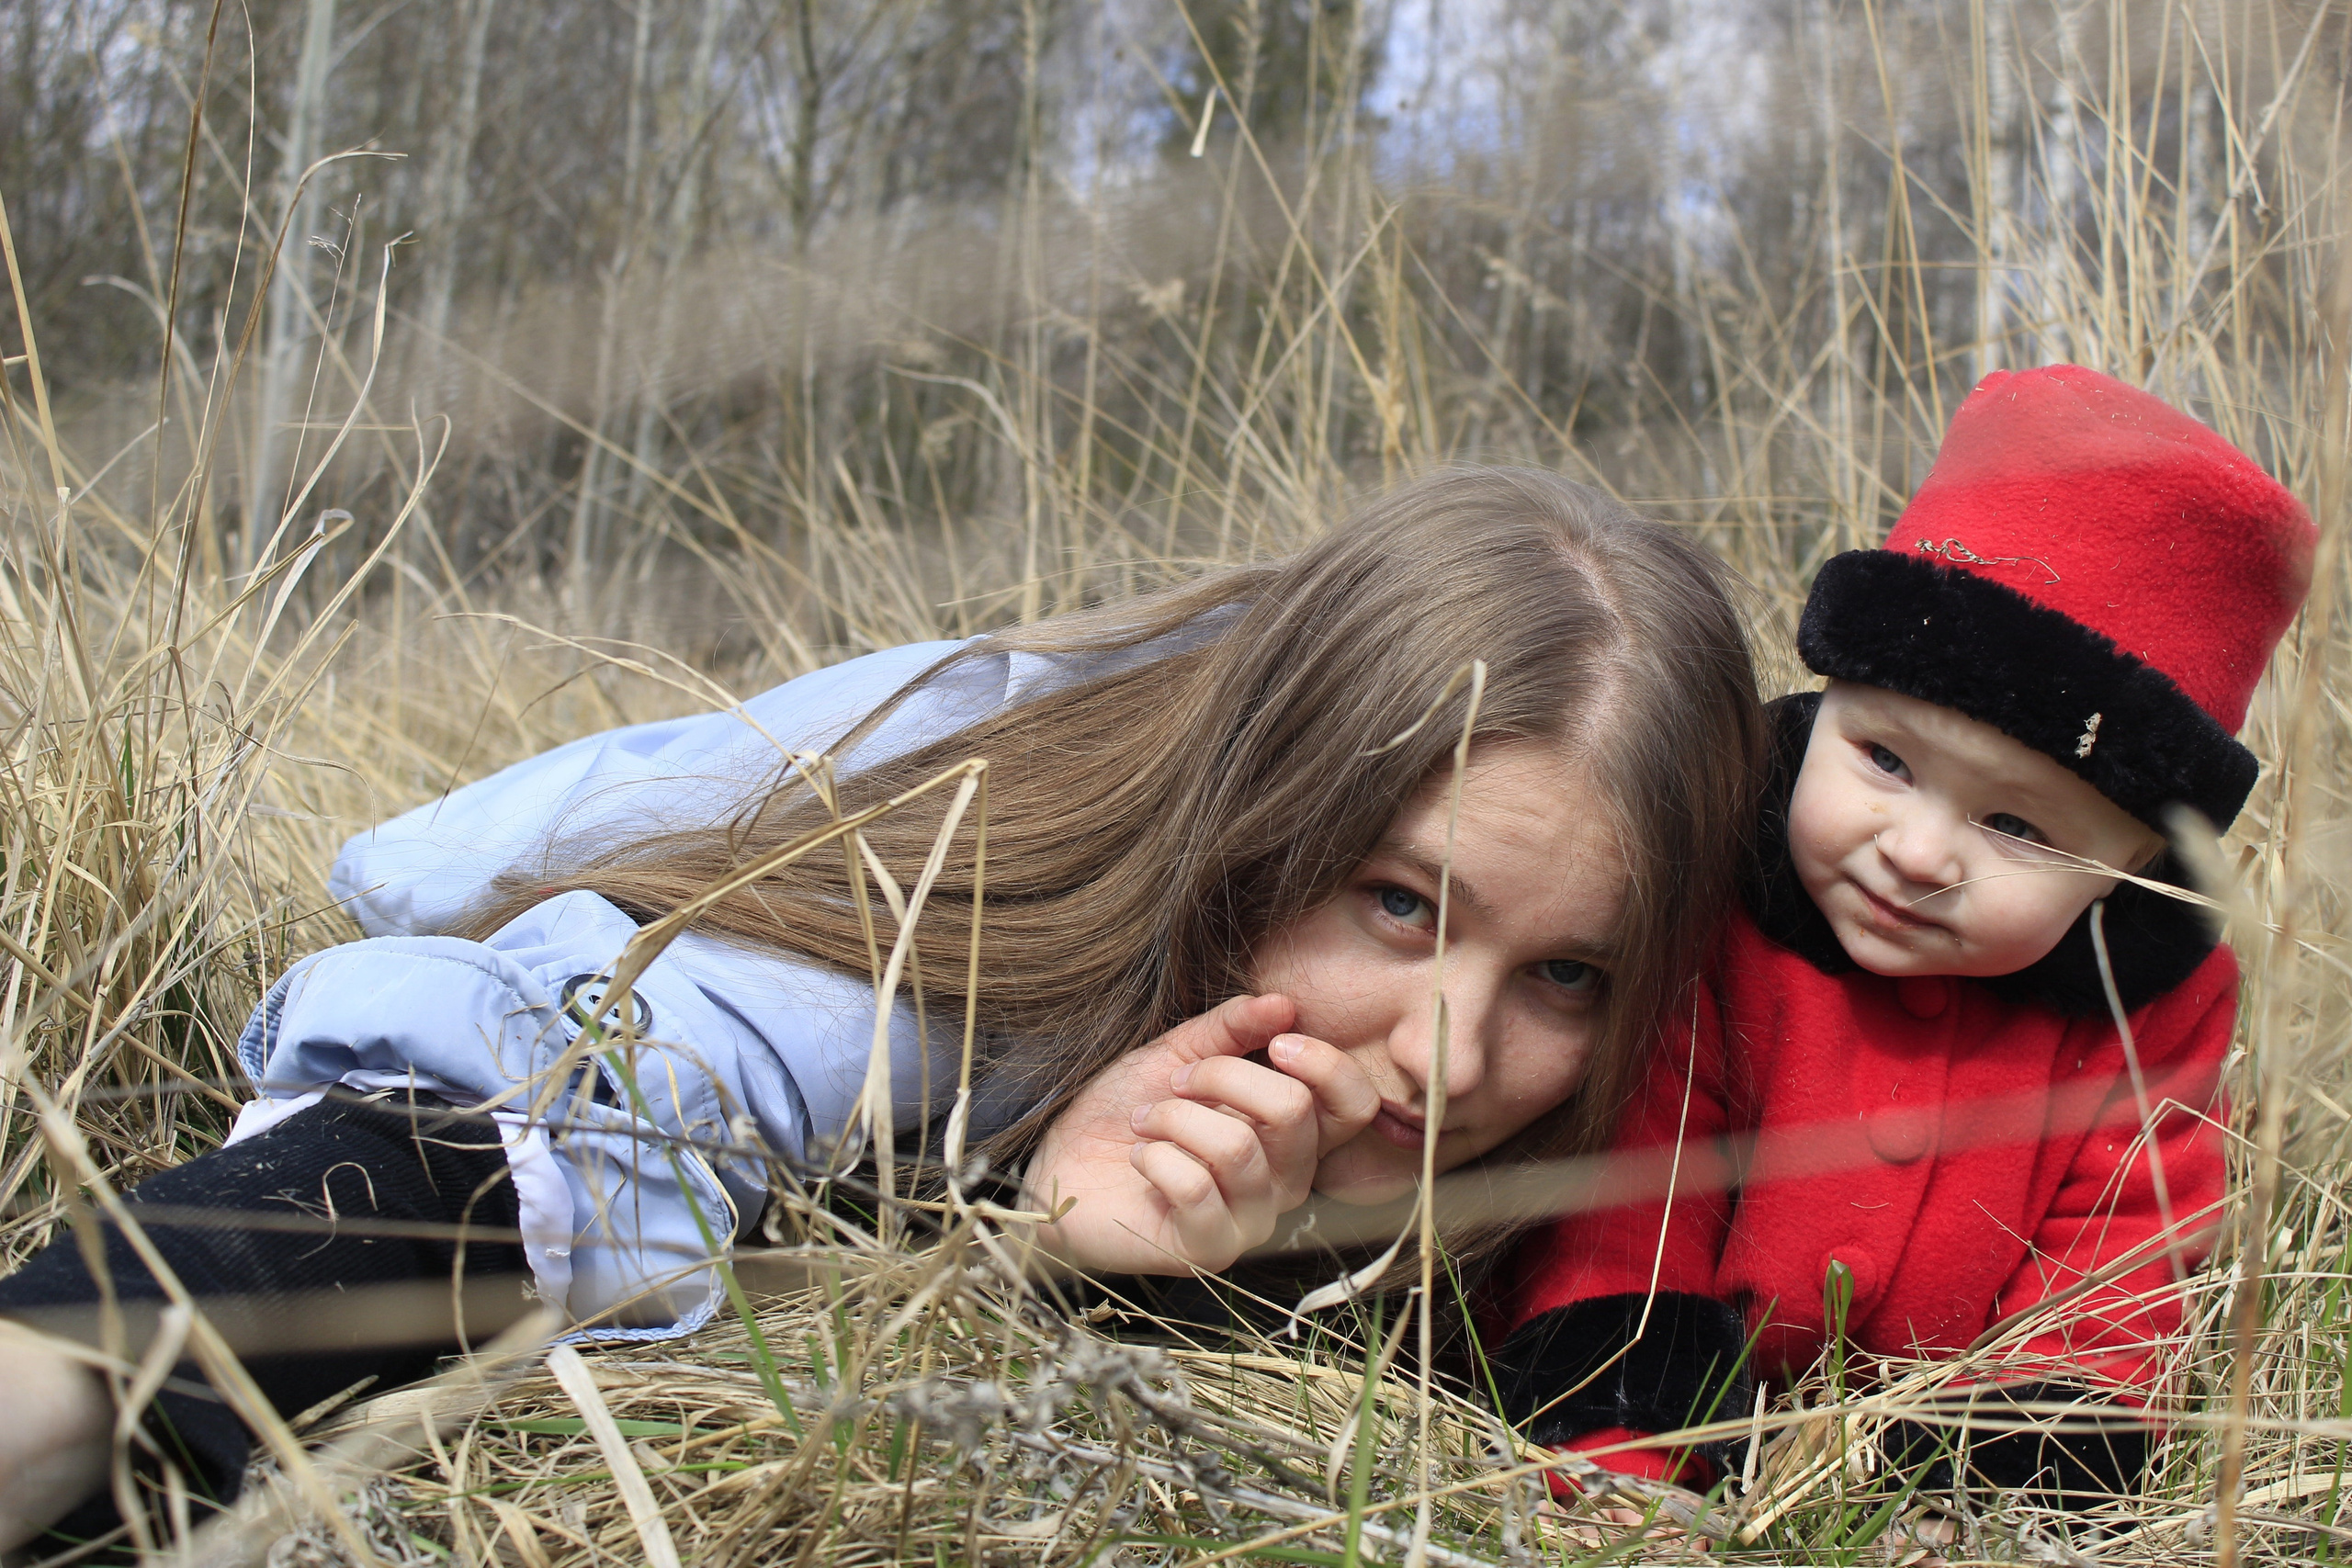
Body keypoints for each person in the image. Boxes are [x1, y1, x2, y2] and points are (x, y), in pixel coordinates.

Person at [0, 467, 1766, 1551]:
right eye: (1399, 901)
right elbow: (545, 1116)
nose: (1451, 1060)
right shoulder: (980, 906)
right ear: (1261, 831)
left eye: (1564, 973)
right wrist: (1006, 1225)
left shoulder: (1659, 1109)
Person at [1492, 366, 2315, 1515]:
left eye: (2016, 824)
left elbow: (2117, 1258)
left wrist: (2006, 1485)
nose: (1918, 852)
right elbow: (1638, 1184)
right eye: (1883, 758)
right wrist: (1622, 1443)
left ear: (2125, 867)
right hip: (1698, 1367)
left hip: (1938, 1413)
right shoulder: (1725, 897)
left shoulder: (2148, 1005)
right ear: (1826, 697)